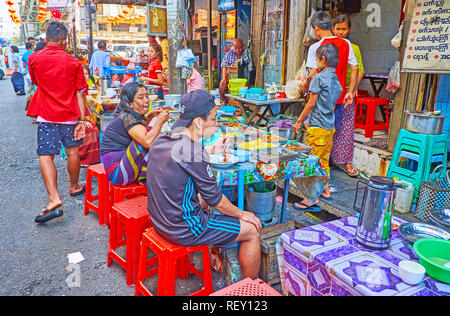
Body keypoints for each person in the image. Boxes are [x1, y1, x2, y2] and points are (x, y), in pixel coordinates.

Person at [146, 89, 262, 279]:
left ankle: (220, 248)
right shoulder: (194, 152)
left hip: (159, 220)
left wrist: (208, 149)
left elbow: (184, 155)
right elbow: (216, 199)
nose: (216, 125)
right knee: (251, 229)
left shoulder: (162, 139)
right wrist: (244, 214)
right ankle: (250, 288)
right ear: (199, 121)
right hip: (181, 229)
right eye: (214, 119)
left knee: (205, 200)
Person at [27, 21, 88, 224]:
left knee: (46, 155)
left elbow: (35, 81)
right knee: (72, 152)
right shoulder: (73, 62)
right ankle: (74, 186)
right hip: (70, 114)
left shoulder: (34, 58)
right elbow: (80, 92)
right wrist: (82, 119)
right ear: (64, 41)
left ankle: (54, 198)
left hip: (46, 113)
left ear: (46, 40)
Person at [293, 43, 343, 211]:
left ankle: (311, 199)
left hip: (318, 126)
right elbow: (333, 105)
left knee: (313, 163)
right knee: (322, 160)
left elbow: (311, 104)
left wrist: (299, 120)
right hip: (329, 126)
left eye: (316, 59)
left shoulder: (319, 78)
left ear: (322, 59)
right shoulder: (335, 79)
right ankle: (326, 191)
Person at [100, 83, 169, 186]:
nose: (146, 100)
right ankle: (160, 176)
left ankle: (157, 175)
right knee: (147, 140)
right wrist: (159, 122)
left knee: (150, 132)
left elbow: (138, 127)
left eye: (147, 96)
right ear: (129, 104)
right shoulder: (127, 117)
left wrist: (150, 116)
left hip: (122, 166)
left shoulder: (126, 114)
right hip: (118, 173)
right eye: (141, 98)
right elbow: (147, 142)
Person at [301, 11, 359, 130]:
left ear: (316, 28)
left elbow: (312, 74)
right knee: (332, 132)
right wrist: (350, 92)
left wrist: (305, 85)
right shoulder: (346, 43)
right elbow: (355, 67)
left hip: (320, 102)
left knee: (317, 133)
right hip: (338, 99)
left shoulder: (315, 48)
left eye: (313, 29)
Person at [330, 14, 365, 178]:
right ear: (332, 29)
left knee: (345, 128)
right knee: (329, 126)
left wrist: (353, 87)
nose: (340, 32)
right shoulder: (329, 47)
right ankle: (327, 159)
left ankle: (345, 162)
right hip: (331, 94)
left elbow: (360, 70)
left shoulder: (354, 48)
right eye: (338, 29)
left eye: (344, 29)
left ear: (349, 29)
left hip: (347, 95)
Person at [219, 38, 244, 103]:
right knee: (222, 89)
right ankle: (225, 102)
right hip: (230, 77)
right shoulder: (229, 54)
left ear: (243, 45)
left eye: (239, 48)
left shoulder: (245, 54)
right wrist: (224, 79)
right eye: (236, 48)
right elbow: (224, 66)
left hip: (242, 78)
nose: (238, 50)